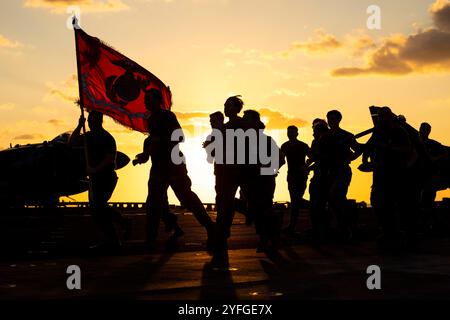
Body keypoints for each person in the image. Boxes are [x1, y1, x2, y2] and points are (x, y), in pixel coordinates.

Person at [134, 88, 215, 252]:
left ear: (158, 101)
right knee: (153, 204)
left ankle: (211, 228)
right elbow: (152, 144)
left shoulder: (168, 116)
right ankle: (150, 240)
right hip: (158, 167)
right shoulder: (150, 119)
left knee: (187, 199)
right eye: (145, 99)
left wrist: (159, 140)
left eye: (149, 99)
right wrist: (143, 156)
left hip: (173, 165)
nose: (146, 102)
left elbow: (179, 137)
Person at [69, 111, 131, 252]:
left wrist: (94, 169)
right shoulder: (88, 136)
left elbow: (110, 159)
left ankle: (116, 234)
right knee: (96, 210)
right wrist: (79, 126)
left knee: (98, 206)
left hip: (106, 177)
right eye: (89, 120)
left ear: (99, 121)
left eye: (93, 120)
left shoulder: (107, 138)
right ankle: (118, 232)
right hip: (95, 178)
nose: (91, 123)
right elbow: (71, 143)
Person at [363, 107, 418, 251]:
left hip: (396, 174)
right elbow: (368, 147)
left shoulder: (399, 131)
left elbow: (408, 149)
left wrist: (389, 148)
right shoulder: (378, 132)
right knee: (377, 201)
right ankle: (388, 231)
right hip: (380, 174)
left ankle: (401, 234)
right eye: (380, 117)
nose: (381, 120)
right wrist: (366, 160)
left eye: (383, 117)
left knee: (398, 205)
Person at [211, 95, 247, 266]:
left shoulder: (240, 124)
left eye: (229, 105)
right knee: (223, 201)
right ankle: (222, 234)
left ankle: (221, 235)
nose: (225, 108)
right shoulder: (223, 127)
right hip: (222, 169)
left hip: (234, 170)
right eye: (224, 105)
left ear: (236, 108)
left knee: (225, 202)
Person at [242, 110, 285, 253]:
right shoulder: (243, 141)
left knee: (263, 210)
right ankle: (268, 237)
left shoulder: (267, 140)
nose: (244, 122)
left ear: (254, 122)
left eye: (247, 119)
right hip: (249, 182)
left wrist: (267, 171)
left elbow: (280, 159)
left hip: (264, 181)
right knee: (255, 210)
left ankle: (268, 238)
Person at [322, 110, 362, 242]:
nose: (330, 121)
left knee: (336, 196)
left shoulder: (346, 136)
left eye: (333, 119)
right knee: (334, 200)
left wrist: (348, 159)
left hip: (342, 171)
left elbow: (358, 149)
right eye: (329, 119)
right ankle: (345, 227)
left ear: (339, 120)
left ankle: (349, 227)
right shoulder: (325, 136)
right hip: (329, 172)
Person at [280, 126, 310, 234]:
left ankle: (312, 206)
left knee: (296, 199)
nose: (290, 134)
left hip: (301, 175)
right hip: (291, 175)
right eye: (289, 132)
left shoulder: (303, 145)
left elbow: (312, 157)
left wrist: (306, 166)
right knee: (294, 200)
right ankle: (292, 226)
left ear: (297, 133)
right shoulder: (285, 146)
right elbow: (281, 159)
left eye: (293, 132)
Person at [203, 111, 225, 214]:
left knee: (224, 195)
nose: (212, 123)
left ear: (221, 120)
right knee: (220, 193)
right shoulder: (212, 135)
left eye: (214, 121)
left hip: (230, 168)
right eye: (211, 121)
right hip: (220, 169)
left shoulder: (228, 131)